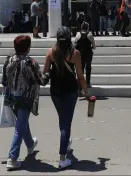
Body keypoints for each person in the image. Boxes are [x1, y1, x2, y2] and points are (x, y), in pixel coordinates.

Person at [43, 27, 89, 169]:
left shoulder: (51, 52)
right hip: (70, 91)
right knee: (66, 123)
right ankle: (62, 158)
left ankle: (67, 142)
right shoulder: (75, 54)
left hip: (55, 91)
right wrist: (86, 92)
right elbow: (80, 75)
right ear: (69, 38)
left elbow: (44, 73)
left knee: (62, 118)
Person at [3, 35, 48, 171]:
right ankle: (12, 158)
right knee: (20, 126)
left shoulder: (9, 60)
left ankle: (30, 145)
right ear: (27, 48)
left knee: (22, 122)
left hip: (11, 96)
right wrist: (48, 73)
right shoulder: (30, 62)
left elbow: (4, 81)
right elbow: (41, 81)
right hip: (25, 97)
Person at [74, 22, 96, 88]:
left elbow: (75, 45)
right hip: (88, 54)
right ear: (87, 27)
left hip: (80, 54)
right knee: (88, 68)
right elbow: (94, 47)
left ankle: (80, 83)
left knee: (81, 68)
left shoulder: (78, 35)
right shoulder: (90, 35)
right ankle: (88, 83)